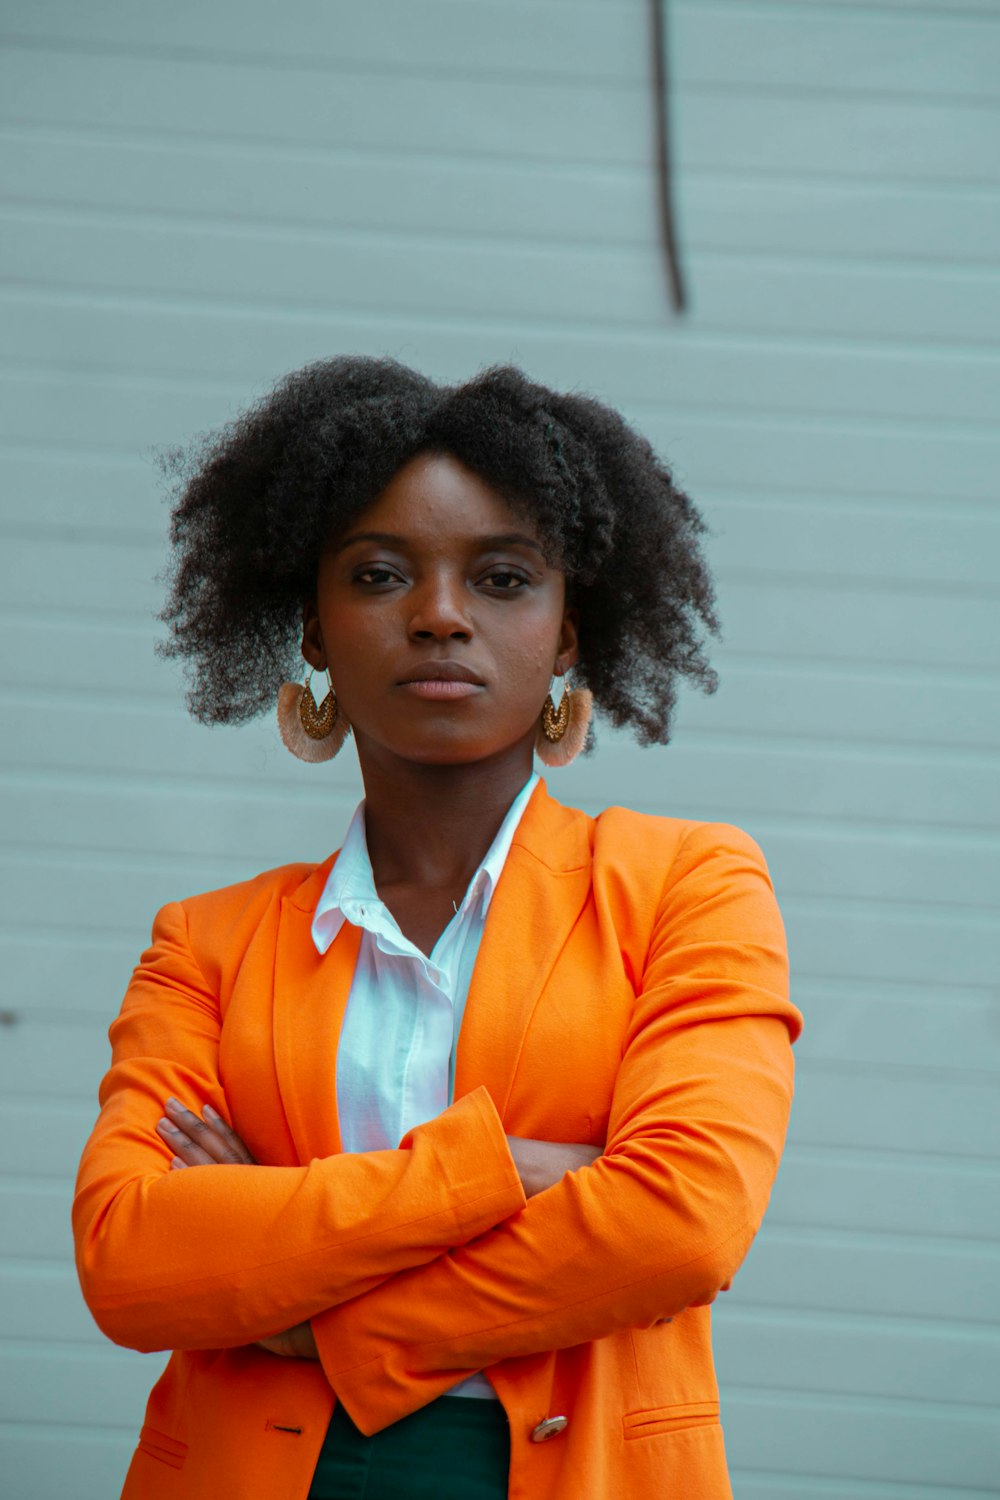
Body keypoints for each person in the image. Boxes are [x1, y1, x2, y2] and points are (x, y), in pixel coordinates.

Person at [73, 358, 801, 1500]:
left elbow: (683, 1224)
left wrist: (318, 1309)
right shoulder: (204, 945)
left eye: (504, 578)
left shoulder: (687, 886)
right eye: (377, 574)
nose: (441, 615)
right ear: (312, 630)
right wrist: (496, 1172)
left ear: (568, 638)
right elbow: (132, 1264)